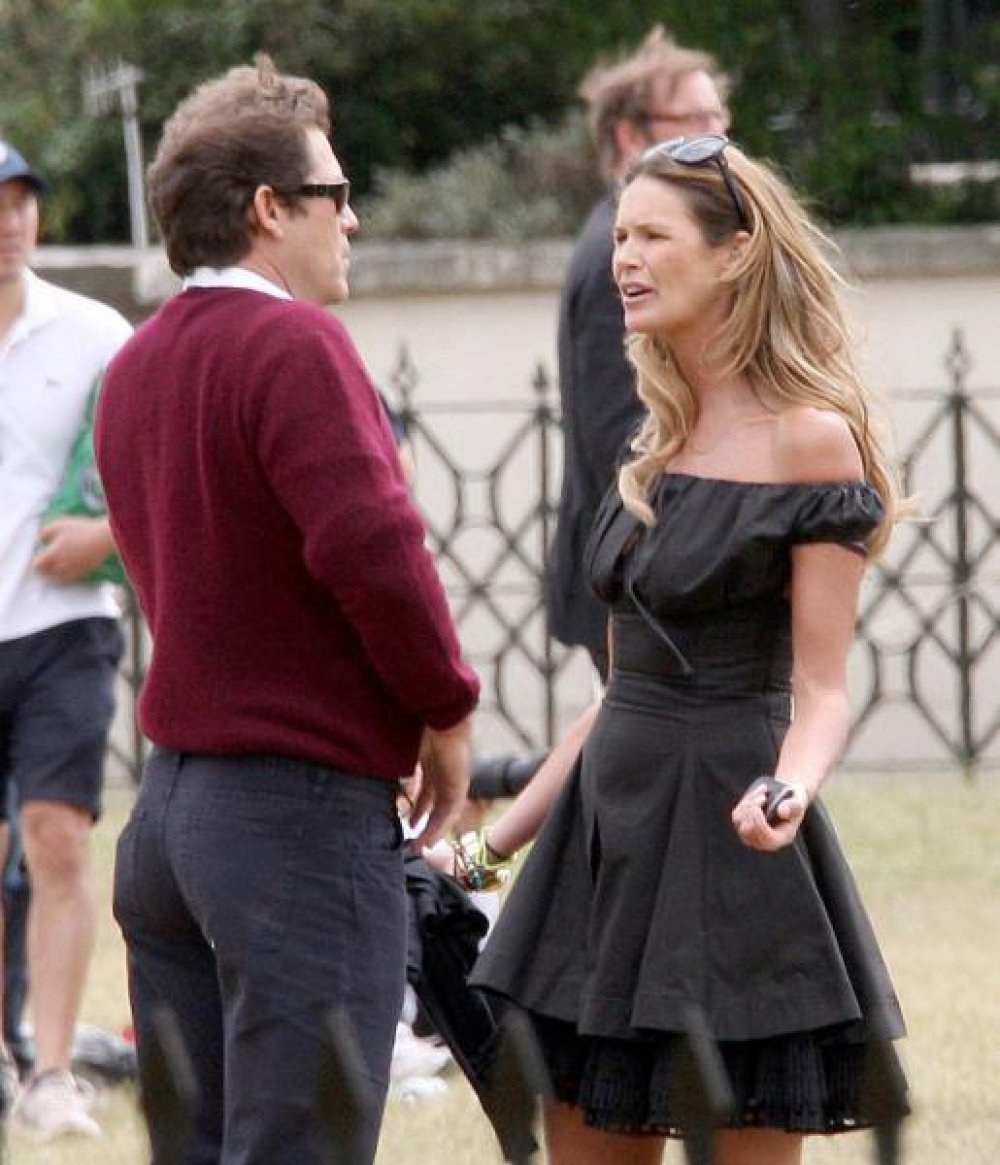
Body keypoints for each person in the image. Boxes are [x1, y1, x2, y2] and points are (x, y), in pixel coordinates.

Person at [462, 135, 908, 1165]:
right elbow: (617, 696)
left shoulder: (810, 441)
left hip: (731, 843)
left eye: (653, 237)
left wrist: (789, 788)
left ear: (735, 252)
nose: (624, 258)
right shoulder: (653, 441)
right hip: (601, 847)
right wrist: (487, 849)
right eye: (620, 236)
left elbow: (822, 688)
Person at [94, 57, 479, 1165]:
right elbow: (374, 550)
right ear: (269, 208)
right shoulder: (294, 344)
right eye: (334, 194)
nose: (351, 220)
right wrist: (444, 708)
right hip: (292, 821)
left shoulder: (137, 363)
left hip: (169, 822)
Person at [0, 139, 132, 1137]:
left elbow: (158, 473)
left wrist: (106, 536)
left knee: (56, 834)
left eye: (22, 203)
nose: (10, 223)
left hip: (67, 627)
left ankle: (51, 1070)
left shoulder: (96, 334)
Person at [548, 27, 731, 680]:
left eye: (720, 118)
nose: (718, 138)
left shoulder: (639, 241)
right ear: (630, 136)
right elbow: (622, 438)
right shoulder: (622, 257)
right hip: (642, 584)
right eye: (695, 122)